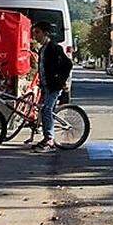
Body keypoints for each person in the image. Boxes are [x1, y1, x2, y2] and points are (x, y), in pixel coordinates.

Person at [33, 21, 72, 152]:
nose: (35, 35)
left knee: (47, 110)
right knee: (44, 111)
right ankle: (46, 137)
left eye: (37, 32)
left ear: (46, 33)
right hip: (45, 85)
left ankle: (50, 140)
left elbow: (68, 64)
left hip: (54, 86)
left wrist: (61, 80)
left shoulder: (54, 48)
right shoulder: (42, 49)